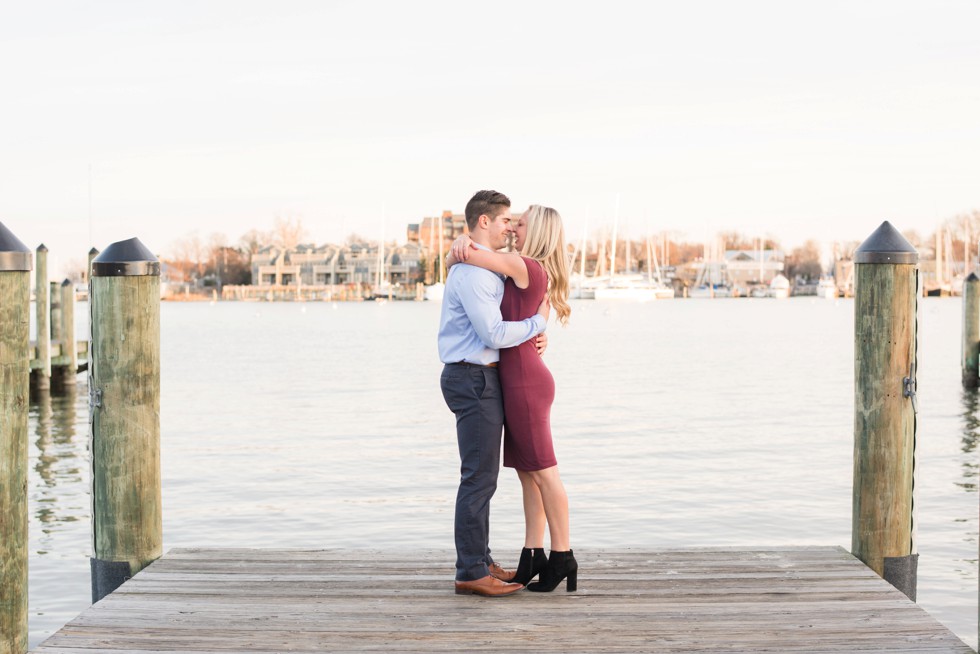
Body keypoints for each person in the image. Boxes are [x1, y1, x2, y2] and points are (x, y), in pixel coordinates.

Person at [447, 204, 577, 593]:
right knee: (527, 473)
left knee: (544, 472)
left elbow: (468, 253)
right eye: (510, 222)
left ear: (534, 231)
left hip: (524, 384)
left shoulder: (525, 266)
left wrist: (462, 241)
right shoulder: (520, 267)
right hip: (516, 378)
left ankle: (563, 555)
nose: (513, 229)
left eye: (519, 223)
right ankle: (532, 553)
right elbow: (471, 253)